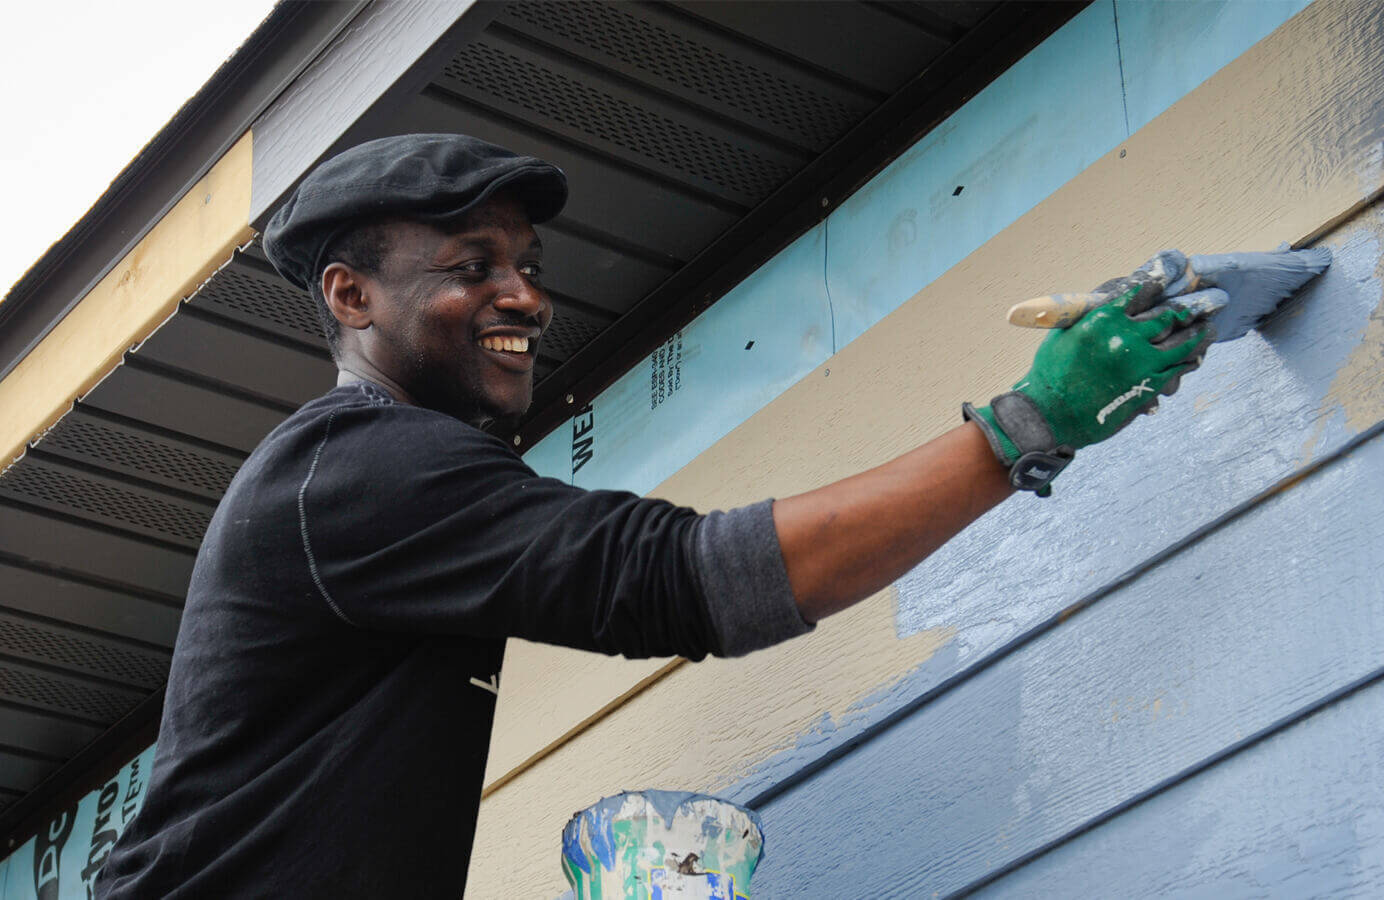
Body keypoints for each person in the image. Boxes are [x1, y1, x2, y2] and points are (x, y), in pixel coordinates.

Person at [95, 134, 1207, 897]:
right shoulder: (350, 470)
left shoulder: (377, 484)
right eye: (470, 265)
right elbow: (683, 580)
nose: (524, 295)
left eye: (526, 266)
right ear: (350, 296)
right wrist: (1020, 427)